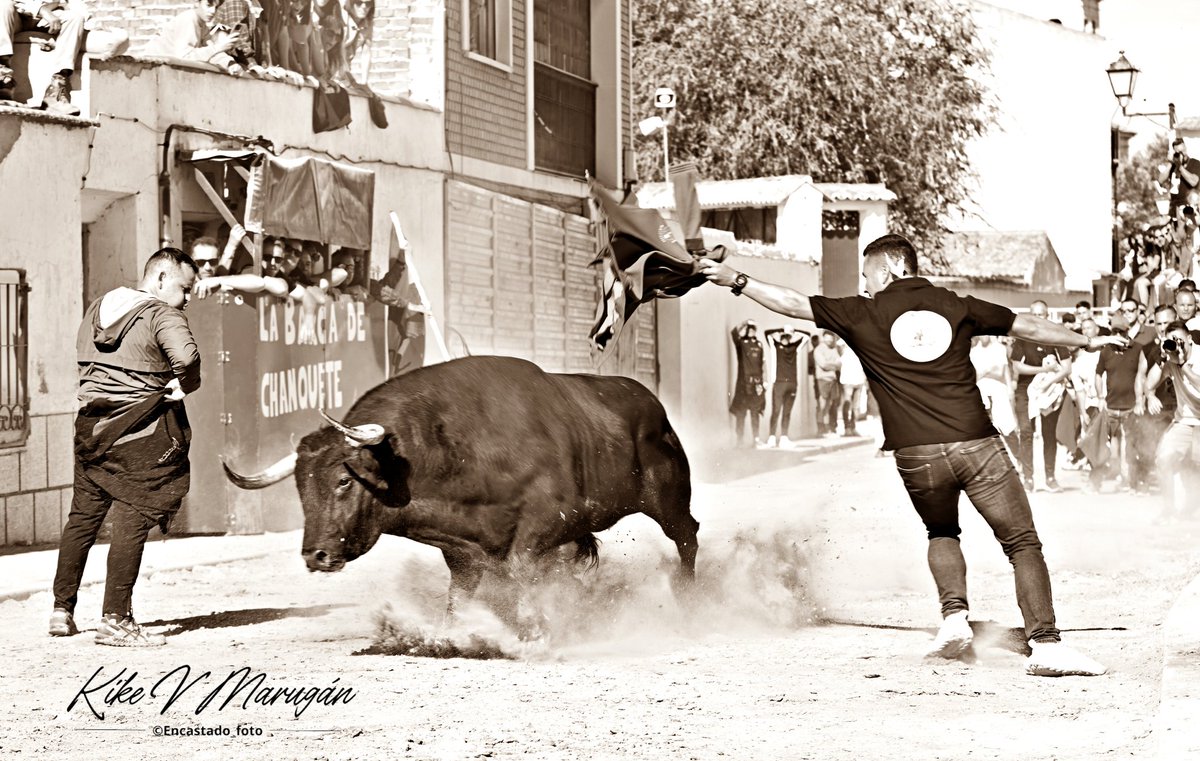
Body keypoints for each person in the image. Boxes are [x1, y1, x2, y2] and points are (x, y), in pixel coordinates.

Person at [699, 233, 1123, 676]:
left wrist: (735, 278)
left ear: (891, 269)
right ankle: (1046, 644)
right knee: (1021, 543)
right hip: (975, 443)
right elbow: (1028, 326)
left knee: (941, 531)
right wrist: (1086, 342)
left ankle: (954, 618)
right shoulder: (958, 305)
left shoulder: (861, 312)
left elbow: (791, 303)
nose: (864, 286)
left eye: (868, 275)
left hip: (916, 455)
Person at [49, 249, 200, 647]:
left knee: (83, 518)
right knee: (135, 516)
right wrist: (184, 385)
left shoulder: (99, 306)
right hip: (139, 433)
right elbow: (187, 357)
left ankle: (61, 611)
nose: (187, 299)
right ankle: (116, 619)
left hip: (90, 428)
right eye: (185, 289)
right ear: (162, 277)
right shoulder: (161, 314)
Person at [0, 0, 128, 114]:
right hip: (14, 15)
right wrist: (41, 10)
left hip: (48, 18)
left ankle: (56, 90)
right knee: (3, 5)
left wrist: (91, 23)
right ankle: (3, 78)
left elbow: (75, 5)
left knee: (75, 18)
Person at [1010, 301, 1070, 492]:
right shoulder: (1022, 338)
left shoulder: (1056, 337)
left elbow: (1067, 368)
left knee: (1049, 434)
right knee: (1026, 432)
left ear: (1047, 316)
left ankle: (1050, 477)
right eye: (1034, 314)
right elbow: (1017, 366)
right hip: (1025, 389)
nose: (1038, 318)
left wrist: (1049, 381)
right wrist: (1044, 369)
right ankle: (1028, 478)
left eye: (1042, 314)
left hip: (1049, 390)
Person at [1144, 321, 1200, 520]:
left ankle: (1192, 509)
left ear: (1190, 339)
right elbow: (1148, 384)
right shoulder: (1170, 359)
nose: (1177, 345)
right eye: (1172, 341)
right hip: (1185, 420)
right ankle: (1169, 509)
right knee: (1163, 460)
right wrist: (1150, 394)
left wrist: (1184, 365)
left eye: (1180, 340)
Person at [1093, 311, 1144, 493]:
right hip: (1111, 406)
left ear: (1127, 330)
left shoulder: (1137, 349)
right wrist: (1100, 397)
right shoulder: (1106, 350)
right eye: (1115, 331)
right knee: (1113, 449)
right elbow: (1098, 374)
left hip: (1131, 406)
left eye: (1121, 332)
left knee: (1130, 447)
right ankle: (1115, 478)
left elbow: (1142, 375)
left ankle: (1130, 482)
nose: (1118, 335)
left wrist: (1140, 400)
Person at [140, 0, 249, 75]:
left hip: (166, 72)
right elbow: (185, 57)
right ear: (197, 3)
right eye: (208, 5)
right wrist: (219, 47)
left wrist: (230, 64)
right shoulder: (188, 19)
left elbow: (212, 53)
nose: (213, 11)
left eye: (216, 7)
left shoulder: (203, 25)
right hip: (151, 71)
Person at [763, 325, 806, 447]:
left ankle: (784, 438)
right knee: (776, 410)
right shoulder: (775, 347)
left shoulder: (795, 348)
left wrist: (793, 331)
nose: (785, 338)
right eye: (783, 336)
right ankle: (771, 437)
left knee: (787, 412)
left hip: (792, 383)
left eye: (788, 337)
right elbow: (767, 333)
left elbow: (806, 336)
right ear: (780, 337)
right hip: (779, 383)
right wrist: (781, 330)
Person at [729, 320, 765, 447]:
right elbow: (734, 332)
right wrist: (744, 323)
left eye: (753, 329)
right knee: (741, 413)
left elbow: (762, 365)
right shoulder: (741, 344)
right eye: (749, 329)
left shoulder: (759, 345)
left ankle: (756, 440)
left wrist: (763, 382)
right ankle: (739, 440)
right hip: (743, 385)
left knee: (755, 412)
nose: (751, 331)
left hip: (756, 385)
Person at [812, 330, 841, 436]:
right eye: (827, 337)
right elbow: (823, 364)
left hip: (833, 380)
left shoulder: (834, 349)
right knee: (822, 404)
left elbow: (839, 365)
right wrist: (833, 365)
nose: (830, 339)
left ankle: (828, 428)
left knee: (831, 404)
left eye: (831, 337)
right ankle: (820, 429)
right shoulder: (818, 349)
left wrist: (832, 365)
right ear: (823, 337)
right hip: (822, 380)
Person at [838, 340, 867, 437]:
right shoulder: (844, 349)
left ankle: (853, 427)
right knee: (847, 404)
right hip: (848, 381)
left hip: (859, 380)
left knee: (856, 406)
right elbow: (839, 343)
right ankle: (847, 428)